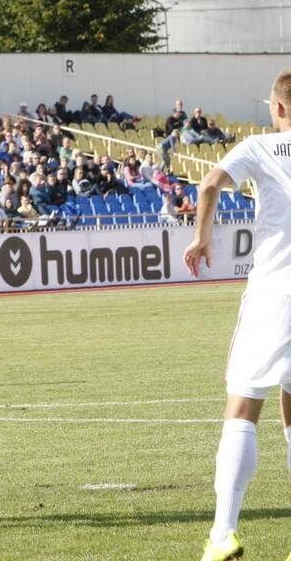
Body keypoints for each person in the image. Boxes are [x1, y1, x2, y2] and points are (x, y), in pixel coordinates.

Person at [183, 69, 291, 561]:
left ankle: (222, 532)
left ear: (280, 109)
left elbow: (208, 186)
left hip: (276, 291)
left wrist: (203, 238)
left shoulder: (261, 147)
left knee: (243, 406)